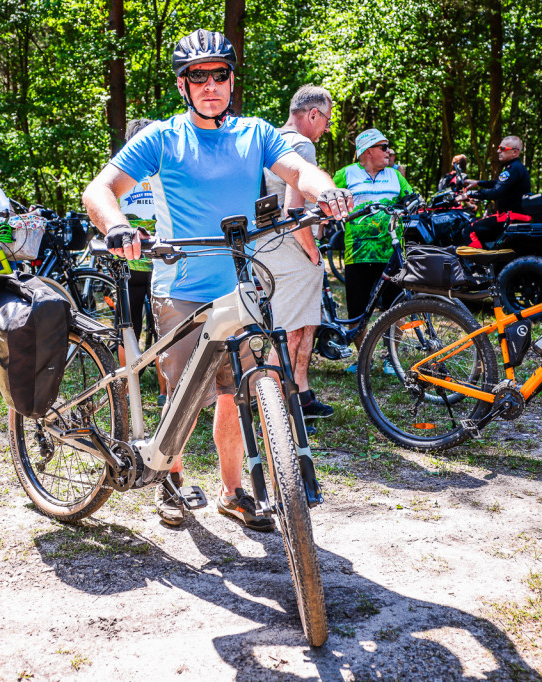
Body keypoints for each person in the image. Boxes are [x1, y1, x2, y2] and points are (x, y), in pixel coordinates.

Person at [82, 29, 353, 529]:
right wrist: (117, 224)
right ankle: (171, 480)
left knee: (236, 393)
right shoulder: (162, 137)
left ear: (231, 80)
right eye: (197, 76)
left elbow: (299, 172)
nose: (210, 84)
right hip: (181, 286)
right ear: (183, 86)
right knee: (181, 395)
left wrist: (328, 191)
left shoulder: (256, 133)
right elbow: (99, 188)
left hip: (243, 287)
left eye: (220, 74)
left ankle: (233, 491)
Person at [259, 85, 335, 428]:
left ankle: (300, 394)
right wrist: (312, 249)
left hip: (269, 242)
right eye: (327, 121)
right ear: (313, 114)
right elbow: (295, 208)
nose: (326, 130)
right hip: (289, 243)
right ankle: (275, 411)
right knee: (290, 330)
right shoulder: (301, 144)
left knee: (306, 323)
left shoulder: (271, 139)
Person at [333, 129, 413, 338]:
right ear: (368, 151)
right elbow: (329, 202)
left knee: (396, 308)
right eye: (384, 147)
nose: (389, 152)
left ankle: (391, 358)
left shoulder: (395, 175)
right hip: (357, 253)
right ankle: (361, 358)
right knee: (357, 310)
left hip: (391, 254)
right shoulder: (345, 174)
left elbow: (412, 200)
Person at [118, 118, 168, 406]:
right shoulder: (162, 168)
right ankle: (165, 391)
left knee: (128, 327)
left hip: (129, 262)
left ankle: (127, 391)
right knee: (162, 327)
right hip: (159, 261)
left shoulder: (121, 171)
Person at [456, 135, 531, 245]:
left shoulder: (513, 169)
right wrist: (478, 182)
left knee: (468, 231)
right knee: (474, 222)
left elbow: (496, 192)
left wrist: (469, 194)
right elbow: (499, 184)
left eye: (503, 149)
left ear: (514, 152)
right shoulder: (516, 168)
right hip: (511, 216)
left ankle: (477, 262)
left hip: (510, 217)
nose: (498, 151)